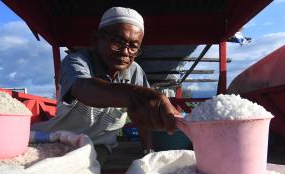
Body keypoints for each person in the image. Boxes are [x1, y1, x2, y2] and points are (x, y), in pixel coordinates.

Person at [32, 7, 178, 165]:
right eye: (117, 42)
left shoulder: (135, 71)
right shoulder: (76, 61)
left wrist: (147, 153)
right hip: (57, 140)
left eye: (133, 47)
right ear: (95, 39)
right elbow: (84, 88)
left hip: (98, 145)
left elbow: (142, 118)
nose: (125, 52)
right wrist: (137, 96)